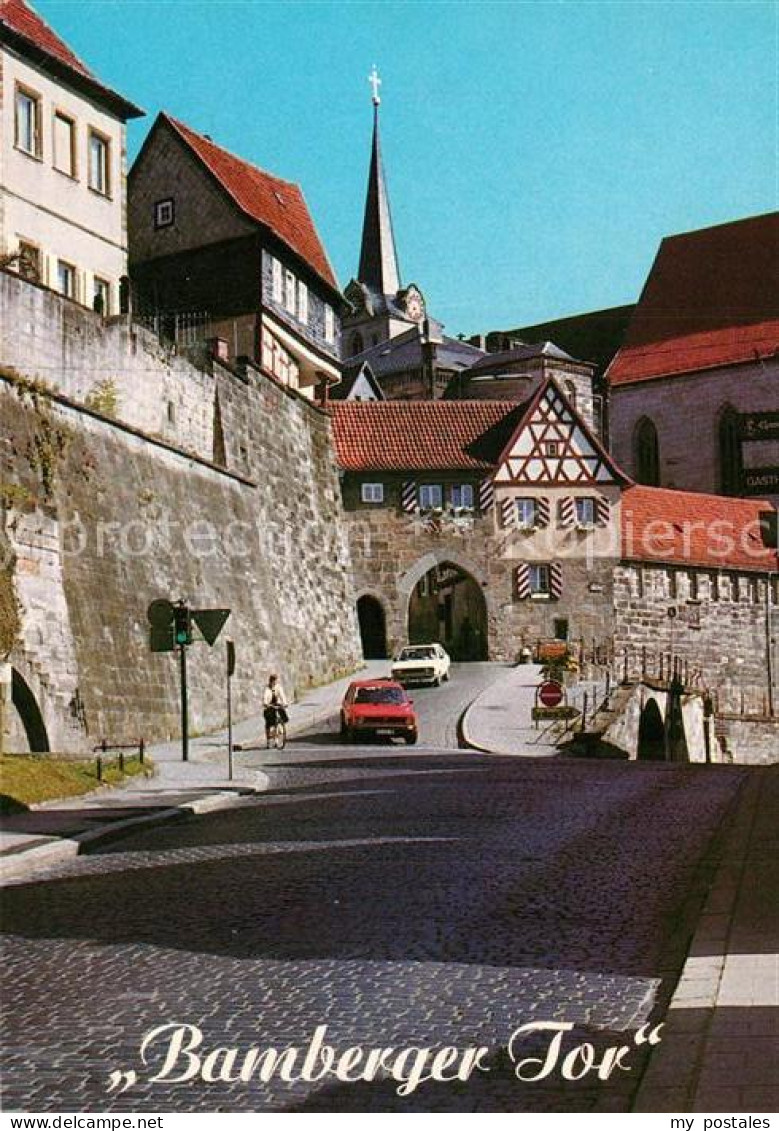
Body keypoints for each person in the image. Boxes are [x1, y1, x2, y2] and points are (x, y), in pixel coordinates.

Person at [263, 674, 289, 743]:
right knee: (269, 723)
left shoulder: (278, 687)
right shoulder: (267, 688)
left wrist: (285, 703)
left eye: (276, 681)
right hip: (269, 706)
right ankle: (268, 739)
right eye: (274, 681)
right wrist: (265, 703)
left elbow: (282, 695)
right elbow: (265, 697)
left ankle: (279, 728)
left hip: (277, 704)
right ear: (271, 681)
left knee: (284, 717)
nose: (275, 683)